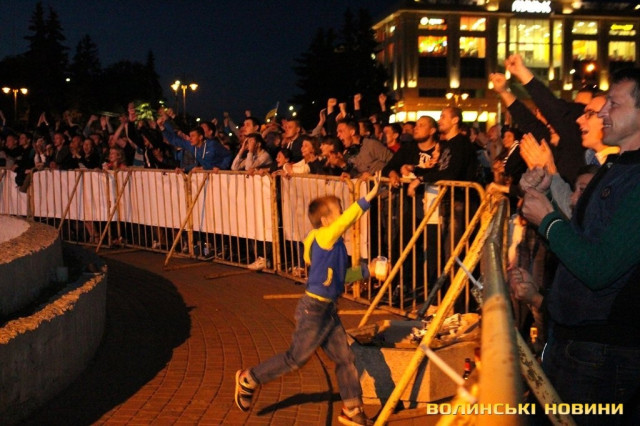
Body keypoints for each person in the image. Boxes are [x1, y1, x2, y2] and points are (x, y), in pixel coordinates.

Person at [521, 67, 640, 425]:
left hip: (601, 353)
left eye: (614, 104)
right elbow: (583, 236)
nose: (603, 112)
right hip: (576, 341)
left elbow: (599, 268)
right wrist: (546, 197)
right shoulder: (617, 167)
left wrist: (548, 220)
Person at [235, 172, 383, 426]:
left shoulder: (334, 244)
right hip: (314, 309)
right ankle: (249, 379)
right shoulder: (325, 236)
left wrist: (367, 271)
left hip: (327, 310)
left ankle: (352, 409)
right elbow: (346, 221)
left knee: (345, 358)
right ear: (326, 220)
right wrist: (367, 198)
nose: (343, 215)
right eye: (338, 212)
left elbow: (340, 277)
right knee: (295, 359)